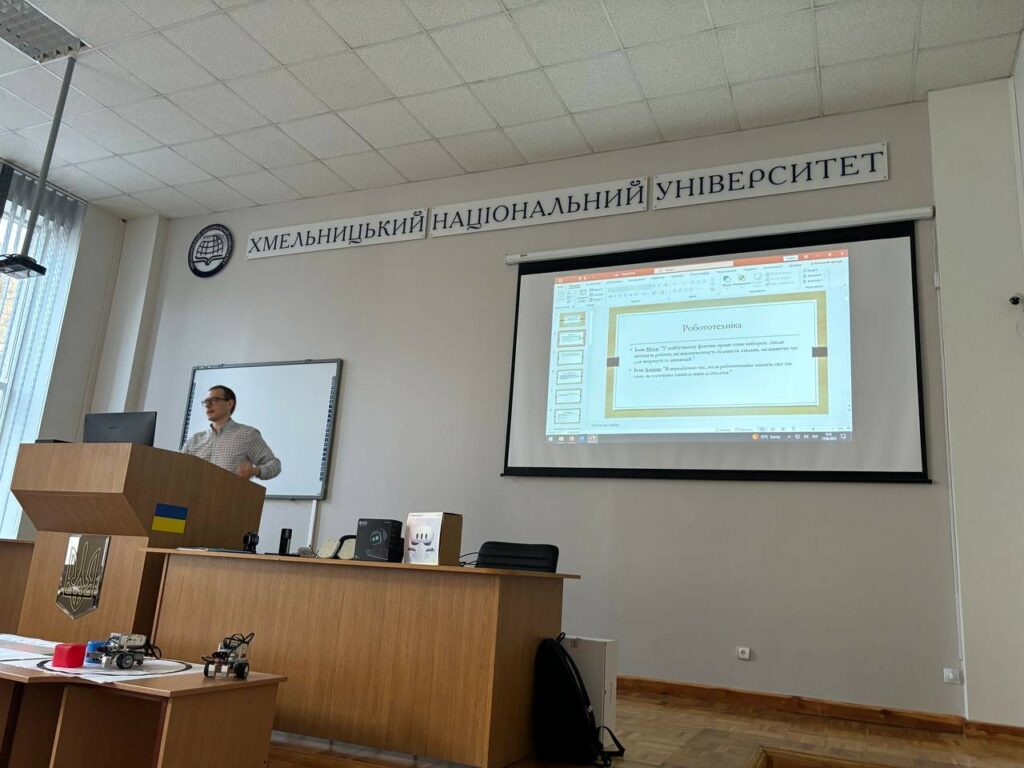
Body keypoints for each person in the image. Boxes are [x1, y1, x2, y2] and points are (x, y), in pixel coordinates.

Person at [182, 385, 281, 480]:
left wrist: (255, 471)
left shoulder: (247, 434)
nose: (207, 405)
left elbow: (274, 464)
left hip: (229, 491)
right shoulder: (193, 440)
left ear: (229, 404)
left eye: (214, 400)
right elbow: (179, 470)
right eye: (206, 402)